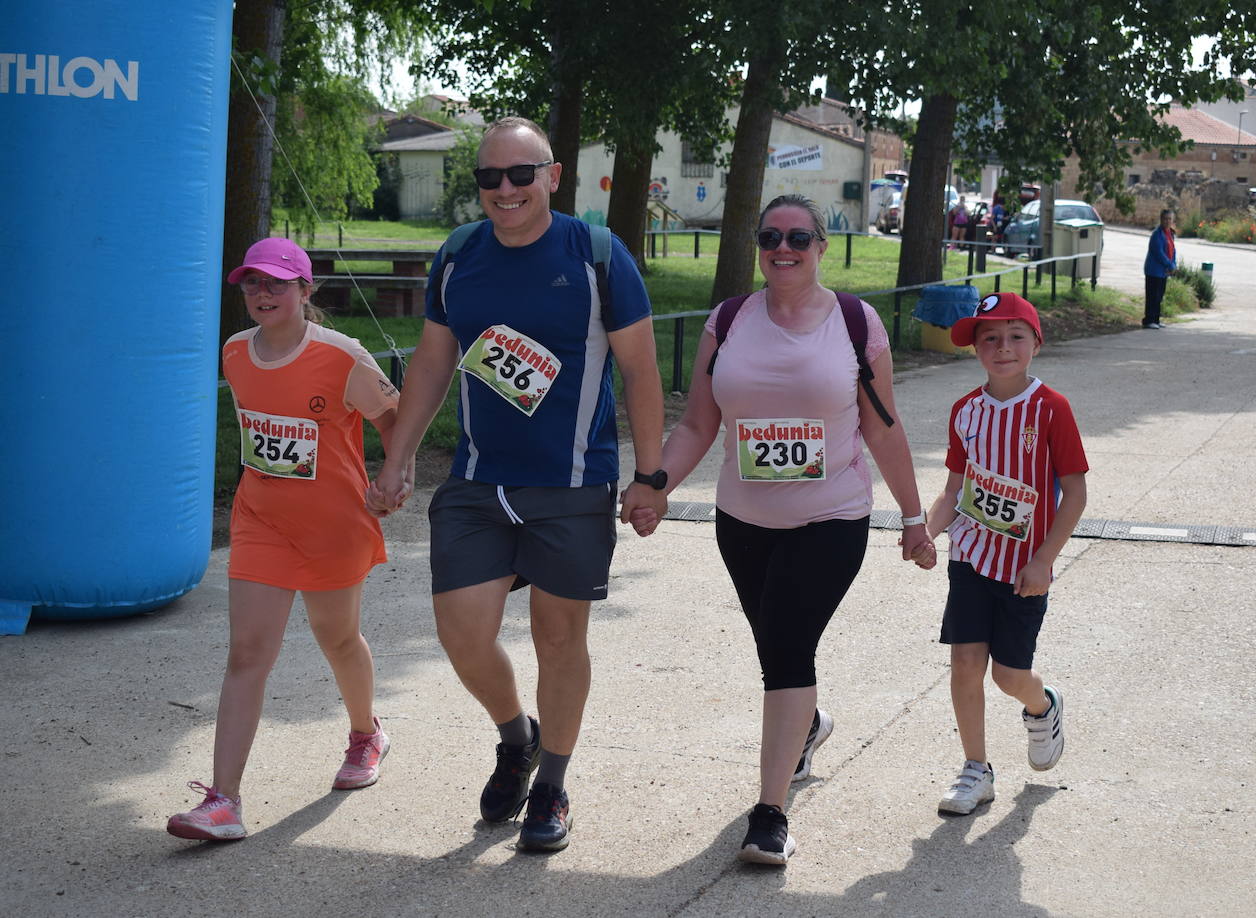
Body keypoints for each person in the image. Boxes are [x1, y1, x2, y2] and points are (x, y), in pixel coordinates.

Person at [367, 117, 666, 853]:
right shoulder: (459, 255)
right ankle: (516, 738)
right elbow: (434, 364)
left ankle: (554, 787)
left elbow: (641, 371)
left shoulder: (595, 255)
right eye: (488, 177)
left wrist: (650, 475)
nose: (504, 190)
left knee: (559, 639)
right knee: (461, 633)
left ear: (552, 176)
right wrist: (398, 456)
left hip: (569, 484)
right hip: (477, 479)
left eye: (520, 175)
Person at [628, 194, 938, 866]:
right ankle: (810, 727)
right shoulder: (730, 319)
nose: (783, 248)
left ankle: (770, 814)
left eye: (799, 236)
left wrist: (914, 519)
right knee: (777, 647)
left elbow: (882, 428)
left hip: (831, 518)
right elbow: (697, 425)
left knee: (788, 649)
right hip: (743, 522)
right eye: (769, 236)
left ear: (823, 246)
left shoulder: (855, 324)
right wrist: (656, 486)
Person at [167, 238, 409, 842]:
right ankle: (224, 801)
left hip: (334, 526)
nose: (262, 294)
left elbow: (395, 420)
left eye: (277, 283)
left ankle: (365, 735)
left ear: (306, 290)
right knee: (247, 654)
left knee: (338, 638)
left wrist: (392, 475)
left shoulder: (343, 356)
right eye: (251, 284)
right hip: (261, 521)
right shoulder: (234, 353)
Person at [923, 292, 1088, 816]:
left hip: (1024, 569)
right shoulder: (965, 411)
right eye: (989, 337)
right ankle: (976, 769)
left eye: (1015, 336)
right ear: (975, 348)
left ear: (1036, 343)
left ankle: (1043, 706)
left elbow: (1076, 493)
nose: (1002, 347)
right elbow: (953, 490)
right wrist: (927, 531)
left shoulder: (1051, 409)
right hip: (969, 556)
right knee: (965, 663)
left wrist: (1043, 560)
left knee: (1007, 676)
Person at [1142, 208, 1177, 329]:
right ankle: (1148, 320)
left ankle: (1156, 319)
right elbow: (1159, 253)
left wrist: (1173, 264)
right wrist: (1169, 265)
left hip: (1163, 271)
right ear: (1161, 219)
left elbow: (1173, 250)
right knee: (1152, 296)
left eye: (1170, 219)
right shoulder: (1157, 234)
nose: (1167, 221)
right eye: (1165, 219)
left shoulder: (1169, 233)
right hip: (1154, 270)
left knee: (1159, 296)